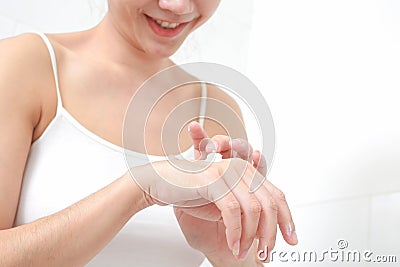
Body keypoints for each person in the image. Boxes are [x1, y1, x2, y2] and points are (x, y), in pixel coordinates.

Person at [0, 0, 297, 266]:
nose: (178, 6)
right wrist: (140, 188)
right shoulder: (24, 64)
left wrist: (225, 252)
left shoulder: (217, 109)